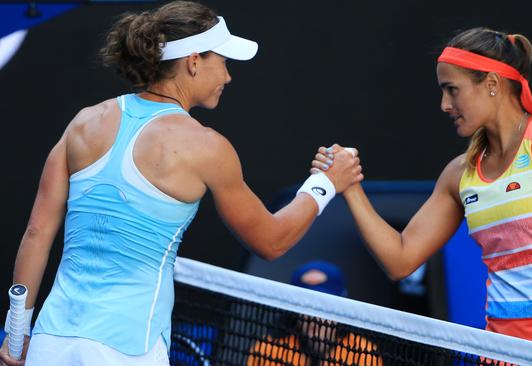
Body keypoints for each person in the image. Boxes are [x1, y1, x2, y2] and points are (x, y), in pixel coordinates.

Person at [0, 2, 362, 365]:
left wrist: (16, 338)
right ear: (193, 61)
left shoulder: (84, 122)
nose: (228, 76)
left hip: (52, 340)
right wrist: (325, 183)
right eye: (223, 61)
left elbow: (37, 233)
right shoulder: (205, 146)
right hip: (128, 348)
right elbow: (271, 241)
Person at [313, 28, 532, 361]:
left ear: (492, 85)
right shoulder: (458, 174)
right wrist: (349, 188)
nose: (444, 105)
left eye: (452, 90)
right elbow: (401, 259)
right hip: (502, 351)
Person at [246, 260, 383, 365]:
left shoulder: (363, 353)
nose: (314, 316)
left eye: (324, 305)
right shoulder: (269, 349)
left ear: (342, 308)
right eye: (306, 306)